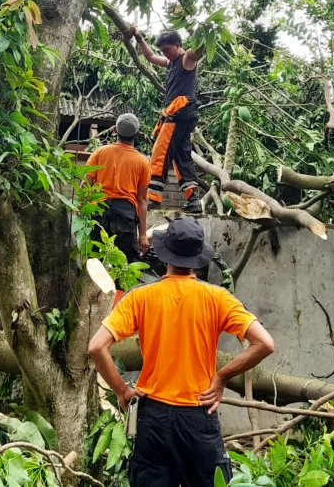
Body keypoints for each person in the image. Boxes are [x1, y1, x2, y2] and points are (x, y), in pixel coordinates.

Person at [87, 218, 276, 487]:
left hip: (152, 419)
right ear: (198, 259)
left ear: (164, 256)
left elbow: (96, 347)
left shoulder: (140, 297)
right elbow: (265, 343)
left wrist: (122, 392)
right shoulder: (218, 297)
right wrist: (221, 378)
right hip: (198, 416)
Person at [129, 28, 204, 213]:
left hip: (180, 112)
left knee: (160, 151)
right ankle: (193, 200)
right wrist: (139, 38)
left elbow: (197, 51)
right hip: (180, 114)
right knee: (182, 157)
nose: (165, 53)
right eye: (163, 50)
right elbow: (151, 57)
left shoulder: (186, 58)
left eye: (168, 49)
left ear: (178, 45)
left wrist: (201, 31)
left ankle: (153, 196)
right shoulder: (170, 62)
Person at [85, 113, 150, 262]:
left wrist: (79, 214)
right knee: (124, 263)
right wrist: (142, 235)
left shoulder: (100, 152)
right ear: (137, 134)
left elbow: (85, 186)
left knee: (95, 261)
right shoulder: (142, 162)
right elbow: (141, 200)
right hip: (125, 214)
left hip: (98, 210)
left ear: (115, 130)